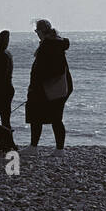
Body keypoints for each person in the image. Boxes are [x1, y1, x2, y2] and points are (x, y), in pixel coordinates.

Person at [25, 18, 72, 150]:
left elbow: (45, 70)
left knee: (36, 118)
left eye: (36, 31)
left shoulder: (48, 45)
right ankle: (58, 149)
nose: (36, 34)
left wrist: (35, 85)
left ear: (40, 31)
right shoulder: (56, 44)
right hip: (60, 88)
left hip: (46, 88)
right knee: (55, 119)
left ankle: (35, 147)